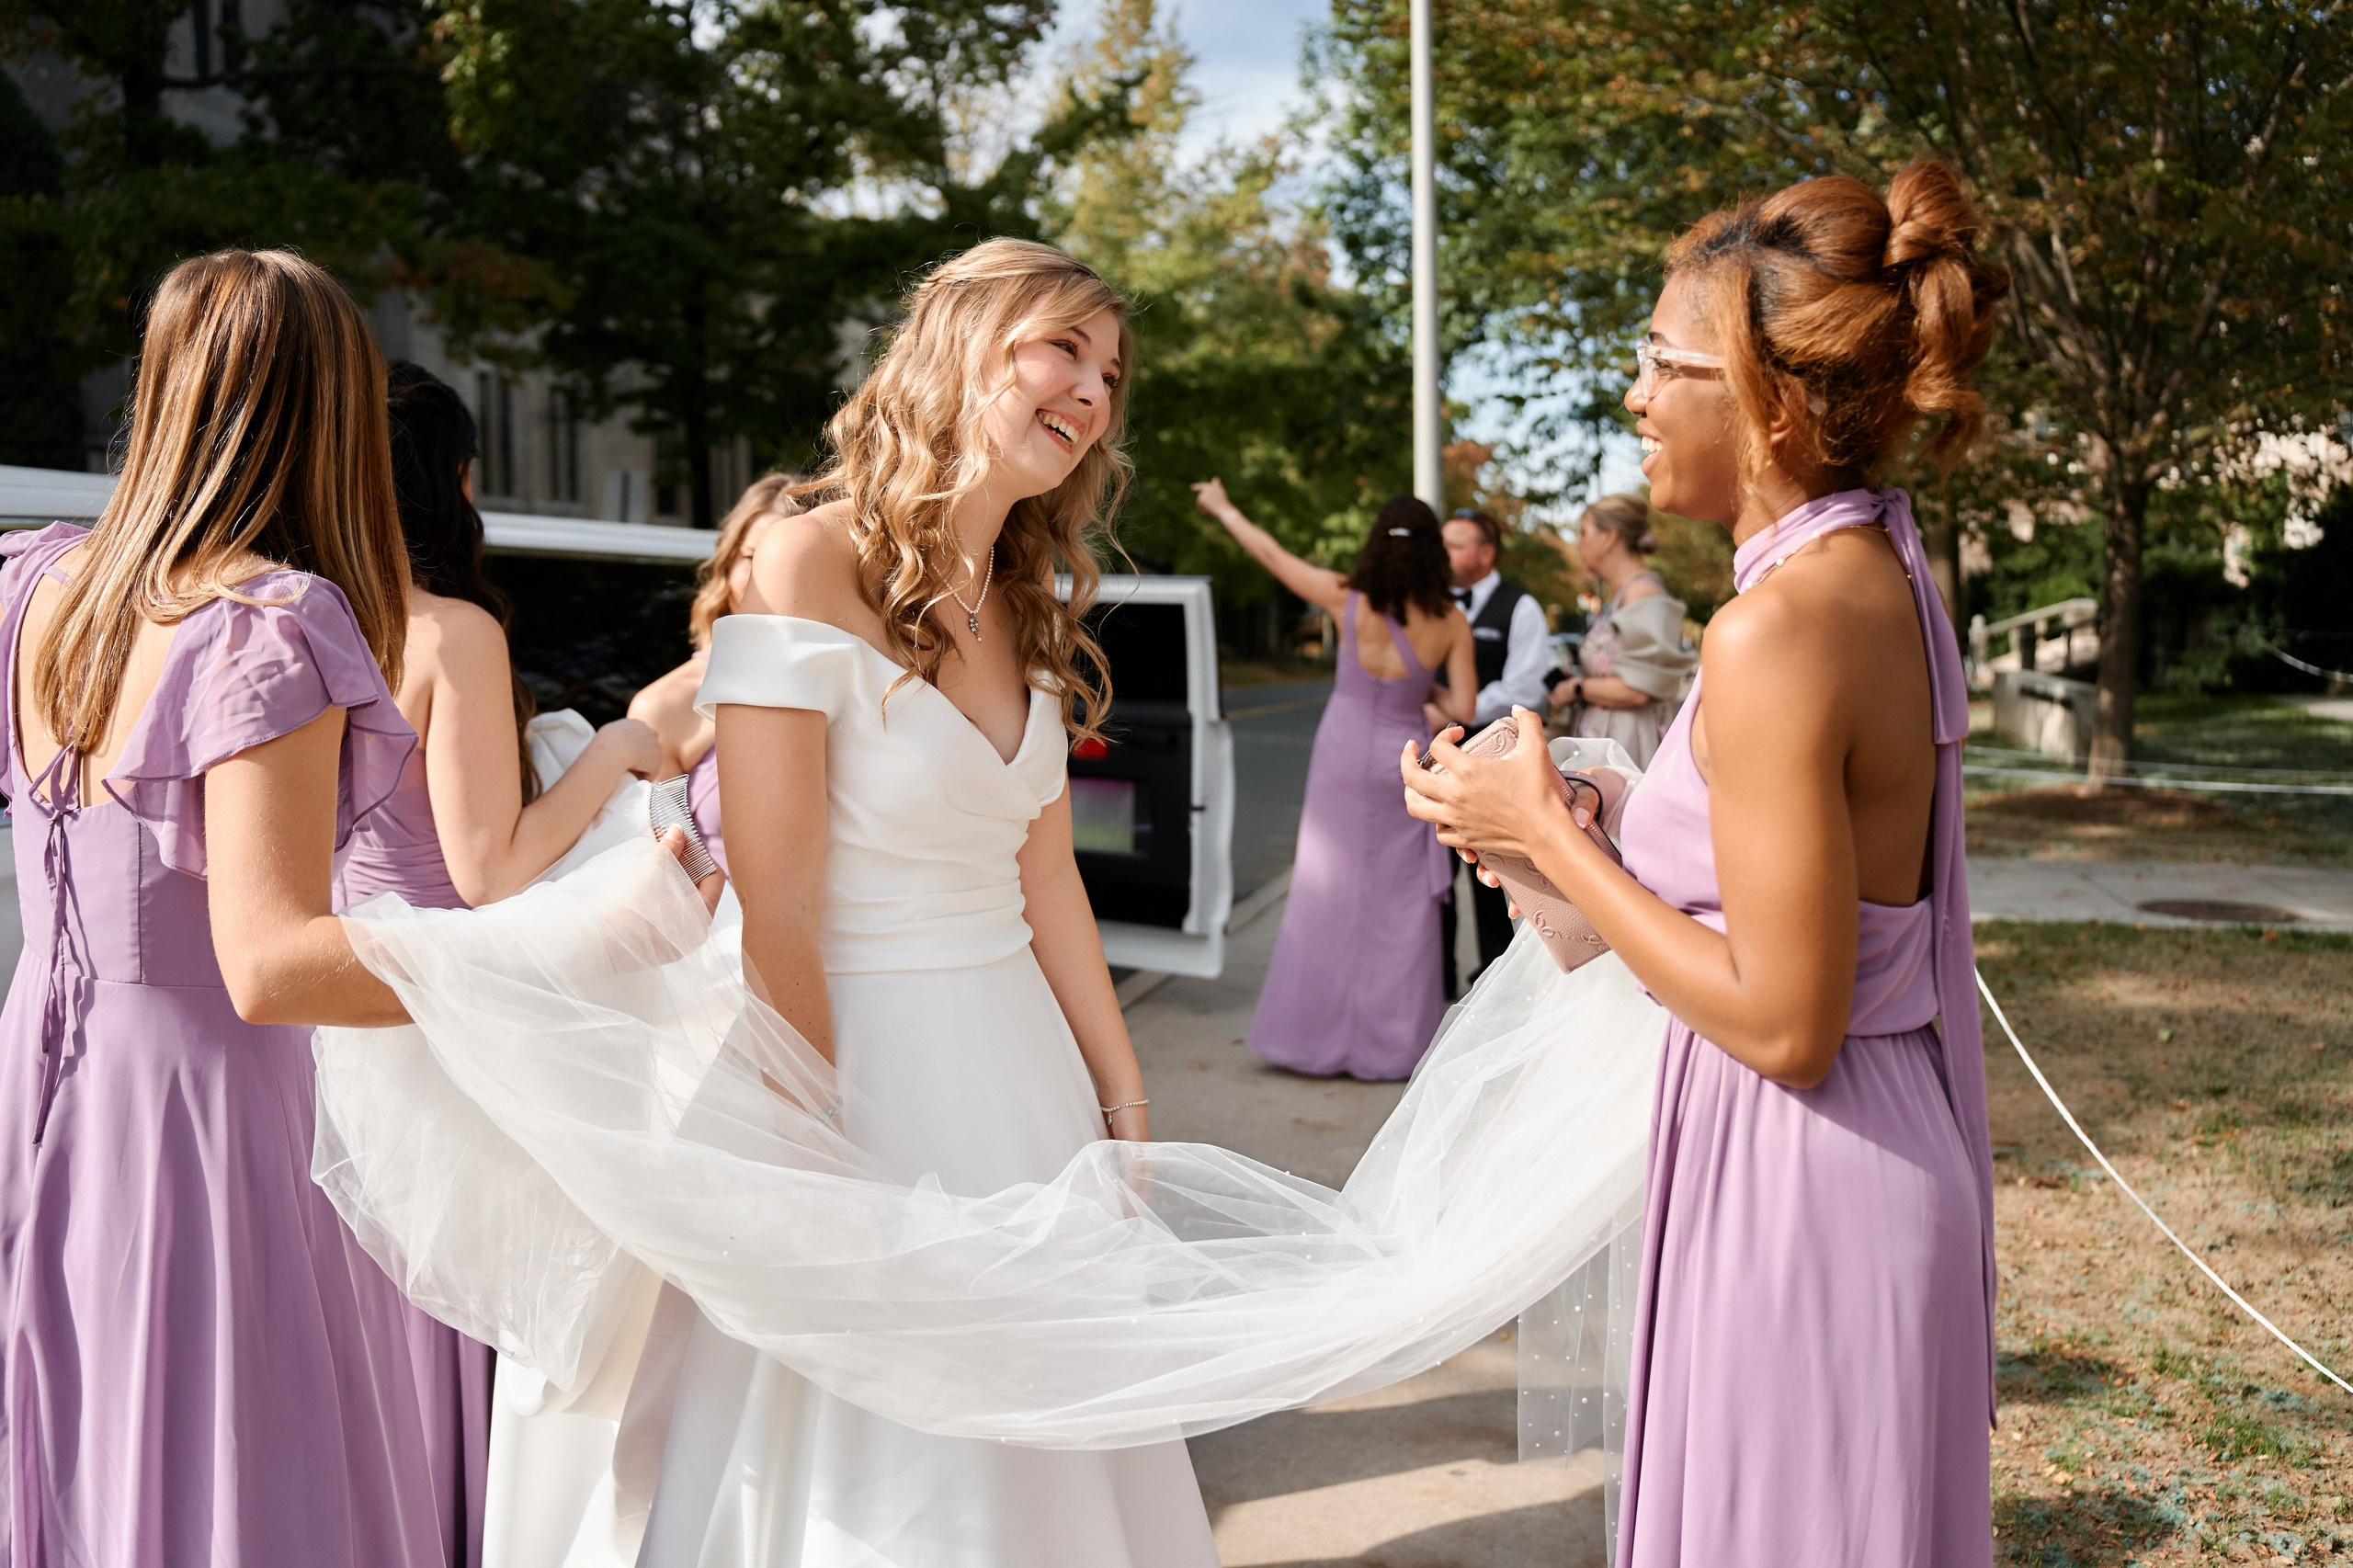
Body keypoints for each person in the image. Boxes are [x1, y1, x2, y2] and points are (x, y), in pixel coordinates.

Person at [1402, 162, 2008, 1564]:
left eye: (1660, 363)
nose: (1633, 398)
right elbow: (1795, 879)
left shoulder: (1777, 625)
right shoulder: (1879, 569)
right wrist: (1601, 823)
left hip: (1805, 1178)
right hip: (1852, 1147)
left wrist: (1542, 833)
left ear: (1769, 403)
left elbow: (1786, 1020)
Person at [634, 238, 1217, 1563]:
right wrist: (818, 1151)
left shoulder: (1031, 598)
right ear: (961, 347)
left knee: (1048, 1452)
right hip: (861, 1078)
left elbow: (1046, 873)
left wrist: (1119, 1101)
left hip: (1022, 1085)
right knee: (883, 1464)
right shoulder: (803, 559)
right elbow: (778, 902)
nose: (1091, 392)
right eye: (1061, 347)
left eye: (1112, 373)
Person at [0, 249, 444, 1566]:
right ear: (333, 413)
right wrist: (548, 969)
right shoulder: (264, 624)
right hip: (208, 1116)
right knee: (235, 1484)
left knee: (76, 1449)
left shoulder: (33, 589)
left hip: (43, 1073)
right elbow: (273, 965)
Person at [337, 360, 665, 1567]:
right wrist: (615, 749)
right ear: (453, 478)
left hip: (322, 1012)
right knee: (483, 1327)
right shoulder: (450, 631)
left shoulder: (290, 616)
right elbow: (488, 864)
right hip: (444, 1019)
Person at [1193, 481, 1476, 1079]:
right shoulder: (1451, 621)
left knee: (1327, 890)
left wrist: (1224, 507)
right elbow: (1465, 709)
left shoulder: (1343, 596)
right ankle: (1392, 1045)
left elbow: (1269, 554)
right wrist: (1425, 692)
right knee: (1399, 905)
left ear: (1376, 543)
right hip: (1405, 760)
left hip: (1342, 753)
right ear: (1434, 553)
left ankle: (1310, 1036)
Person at [627, 472, 802, 876]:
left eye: (797, 561)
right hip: (725, 931)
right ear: (725, 566)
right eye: (752, 558)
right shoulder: (664, 706)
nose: (773, 575)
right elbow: (665, 877)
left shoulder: (879, 683)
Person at [1427, 506, 1550, 993]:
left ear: (1486, 552)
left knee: (1491, 882)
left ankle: (1493, 993)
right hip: (1432, 761)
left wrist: (1461, 707)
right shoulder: (1429, 602)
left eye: (1456, 545)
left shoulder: (1520, 607)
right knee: (1433, 884)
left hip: (1490, 762)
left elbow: (1527, 687)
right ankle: (1436, 985)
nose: (1445, 554)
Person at [1546, 494, 1694, 767]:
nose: (1579, 544)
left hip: (1629, 747)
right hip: (1608, 740)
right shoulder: (1622, 595)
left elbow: (1637, 689)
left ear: (1610, 537)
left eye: (1584, 532)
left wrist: (1577, 688)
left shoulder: (1642, 594)